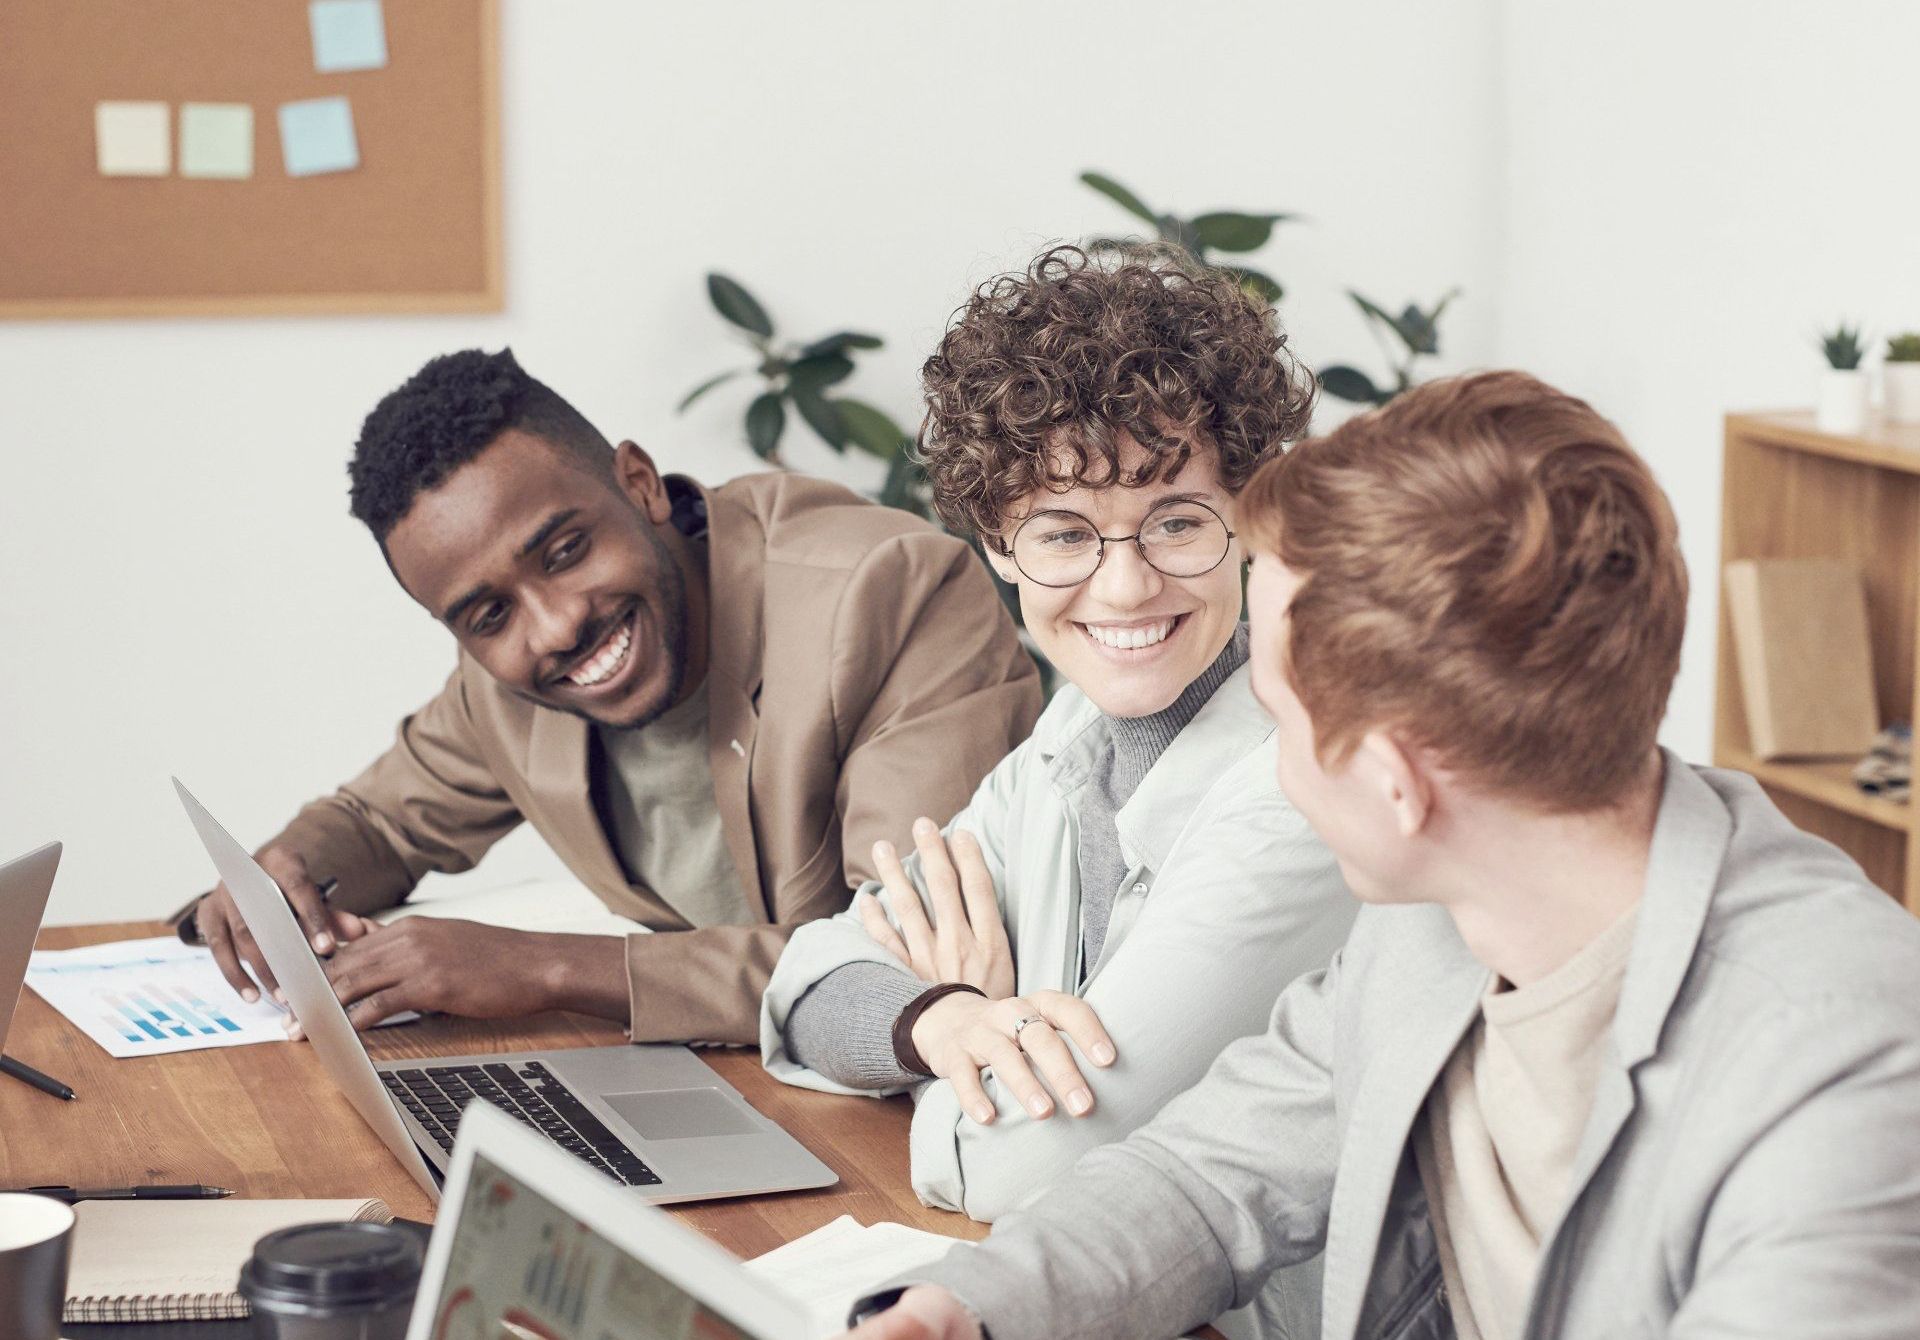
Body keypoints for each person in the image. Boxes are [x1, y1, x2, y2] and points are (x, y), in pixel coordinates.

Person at [846, 370, 1920, 1339]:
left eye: (1275, 711)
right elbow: (1205, 1178)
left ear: (1397, 785)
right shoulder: (1435, 926)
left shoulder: (1840, 1071)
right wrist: (968, 1312)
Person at [761, 246, 1356, 1273]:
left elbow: (1023, 1168)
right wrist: (942, 1017)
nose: (1124, 589)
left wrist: (927, 1058)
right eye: (1065, 534)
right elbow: (807, 983)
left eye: (1176, 521)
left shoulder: (1298, 792)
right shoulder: (1068, 737)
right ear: (996, 540)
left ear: (1251, 516)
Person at [174, 348, 1041, 1045]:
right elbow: (377, 825)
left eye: (563, 552)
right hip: (741, 1087)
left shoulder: (885, 592)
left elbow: (905, 964)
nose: (552, 629)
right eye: (487, 614)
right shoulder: (503, 686)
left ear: (639, 483)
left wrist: (551, 971)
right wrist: (287, 874)